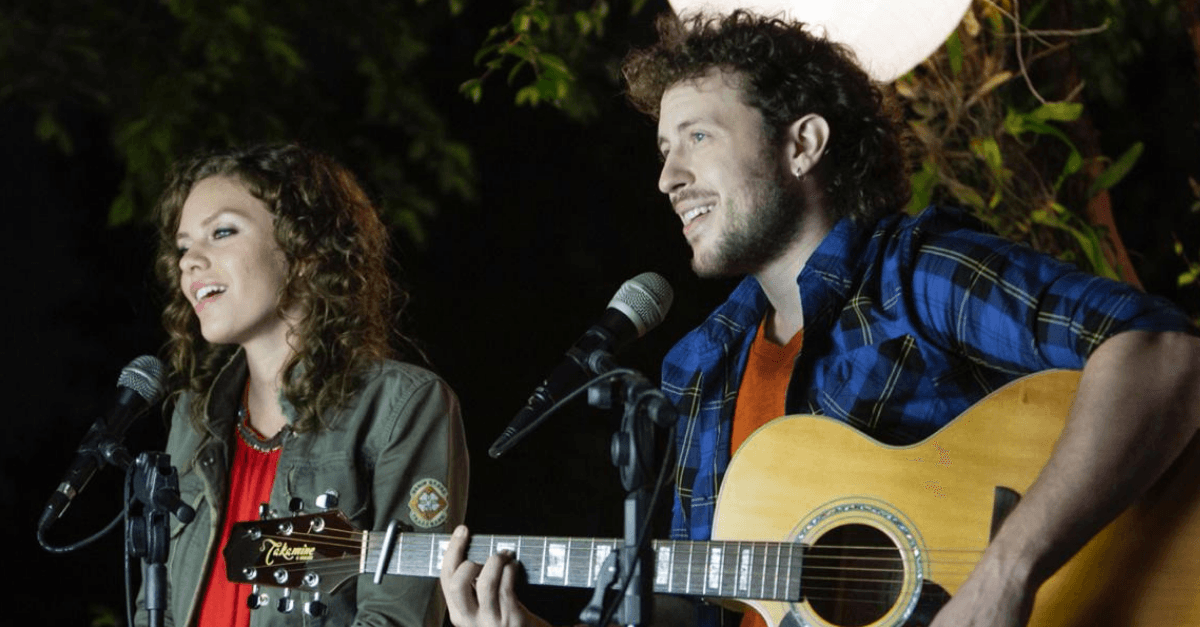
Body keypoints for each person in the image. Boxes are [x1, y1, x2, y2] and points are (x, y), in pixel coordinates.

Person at [439, 10, 1200, 627]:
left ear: (802, 144)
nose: (668, 177)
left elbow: (1164, 354)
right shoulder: (701, 365)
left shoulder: (914, 273)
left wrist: (1006, 571)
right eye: (665, 150)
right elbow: (696, 606)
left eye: (698, 137)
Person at [137, 143, 468, 627]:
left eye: (222, 232)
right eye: (184, 247)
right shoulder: (194, 416)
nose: (189, 261)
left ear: (306, 249)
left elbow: (396, 618)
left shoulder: (403, 407)